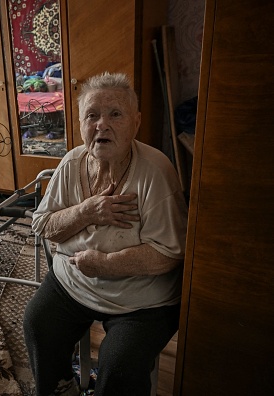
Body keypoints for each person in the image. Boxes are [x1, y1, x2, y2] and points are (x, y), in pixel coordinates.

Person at [23, 72, 188, 396]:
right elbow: (41, 224)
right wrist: (87, 211)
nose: (102, 125)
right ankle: (61, 387)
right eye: (92, 115)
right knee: (38, 324)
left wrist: (106, 264)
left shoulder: (155, 172)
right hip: (74, 282)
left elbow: (169, 253)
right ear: (81, 123)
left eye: (115, 114)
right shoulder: (71, 163)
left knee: (119, 364)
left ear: (136, 122)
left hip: (142, 301)